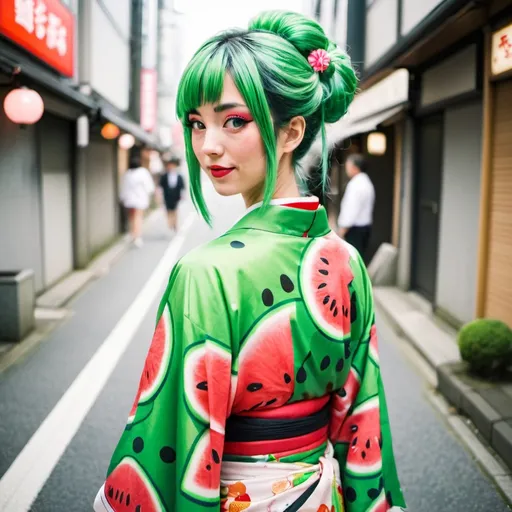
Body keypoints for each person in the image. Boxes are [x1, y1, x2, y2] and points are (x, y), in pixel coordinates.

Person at [94, 10, 405, 512]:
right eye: (197, 124)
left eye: (233, 120)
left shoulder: (206, 273)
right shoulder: (346, 261)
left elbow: (175, 435)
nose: (207, 146)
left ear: (290, 133)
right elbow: (361, 417)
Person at [337, 154, 375, 260]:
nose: (346, 169)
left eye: (348, 166)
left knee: (352, 260)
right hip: (363, 228)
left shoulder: (357, 184)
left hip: (354, 229)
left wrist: (342, 230)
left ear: (355, 167)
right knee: (358, 258)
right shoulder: (365, 181)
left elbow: (351, 209)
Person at [119, 153, 155, 248]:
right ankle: (137, 236)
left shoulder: (128, 173)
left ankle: (132, 234)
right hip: (140, 199)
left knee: (131, 218)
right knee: (138, 218)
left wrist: (122, 198)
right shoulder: (143, 172)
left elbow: (124, 188)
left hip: (129, 200)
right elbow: (149, 187)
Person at [159, 156, 185, 232]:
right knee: (168, 210)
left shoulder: (179, 176)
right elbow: (161, 186)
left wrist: (182, 195)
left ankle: (175, 223)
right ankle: (170, 222)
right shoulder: (164, 176)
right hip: (167, 195)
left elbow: (182, 186)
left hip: (176, 195)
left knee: (175, 209)